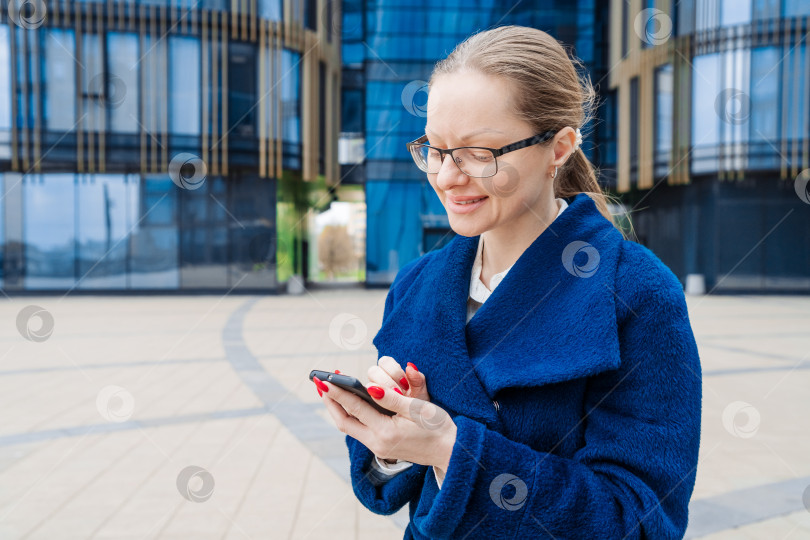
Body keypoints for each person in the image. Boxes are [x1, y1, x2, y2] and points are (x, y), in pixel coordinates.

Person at [313, 25, 702, 539]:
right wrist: (390, 441)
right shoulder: (417, 284)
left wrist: (451, 450)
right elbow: (390, 491)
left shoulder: (635, 292)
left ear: (559, 148)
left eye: (479, 153)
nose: (448, 177)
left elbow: (640, 521)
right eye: (434, 148)